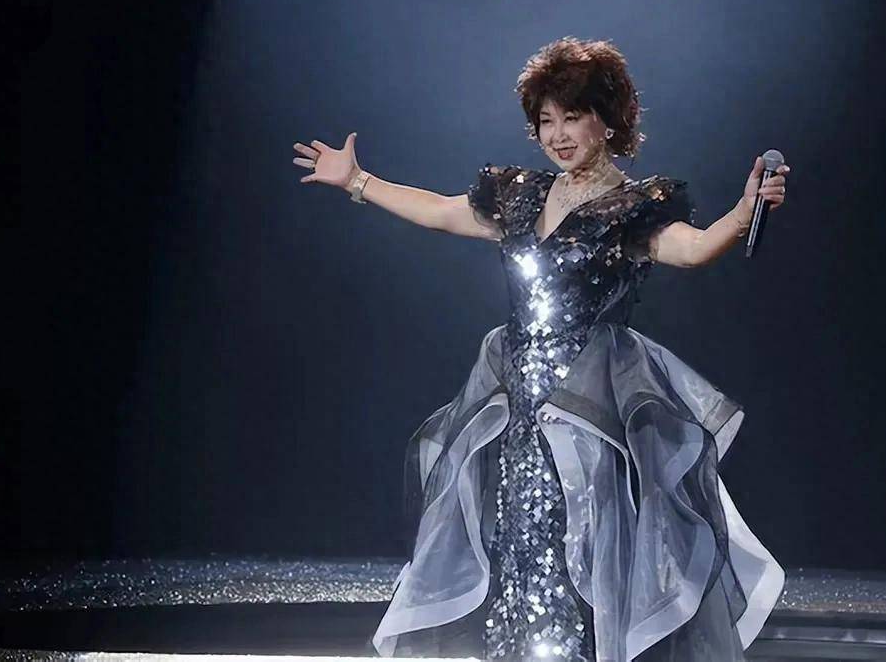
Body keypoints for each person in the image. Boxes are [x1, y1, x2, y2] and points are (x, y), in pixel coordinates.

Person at [293, 37, 789, 661]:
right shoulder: (522, 195)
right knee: (521, 541)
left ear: (607, 120)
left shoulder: (631, 209)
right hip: (520, 403)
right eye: (546, 121)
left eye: (571, 117)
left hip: (590, 410)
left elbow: (692, 249)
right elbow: (443, 211)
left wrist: (743, 212)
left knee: (584, 544)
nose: (557, 135)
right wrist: (357, 181)